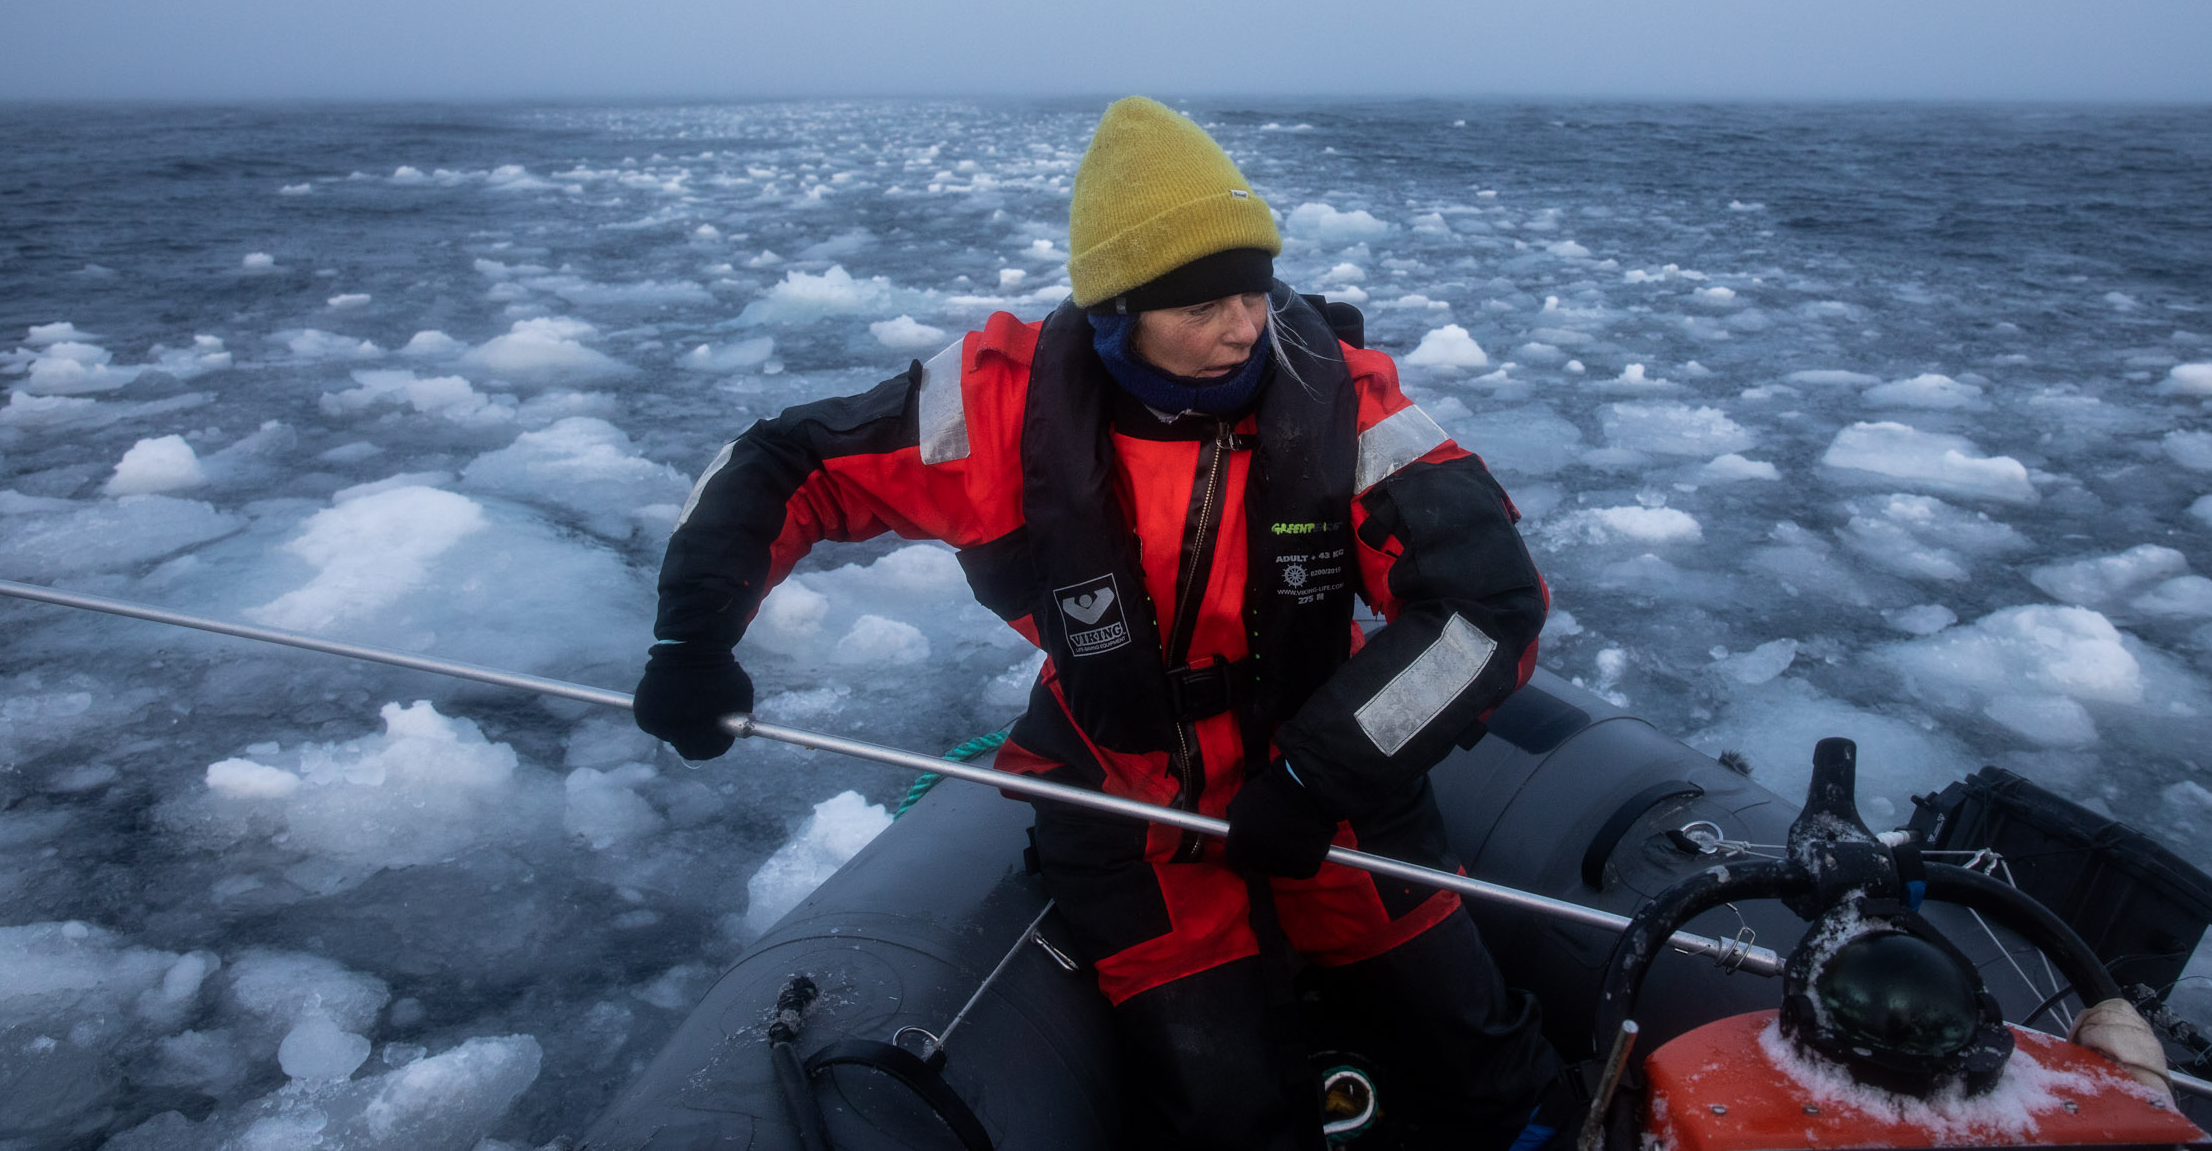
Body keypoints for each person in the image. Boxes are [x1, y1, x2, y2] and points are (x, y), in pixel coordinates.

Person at [634, 97, 1564, 1149]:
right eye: (1201, 304)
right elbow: (784, 464)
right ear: (1119, 308)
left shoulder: (1347, 404)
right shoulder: (995, 409)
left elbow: (1485, 607)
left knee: (1477, 1054)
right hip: (1123, 796)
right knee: (1229, 1109)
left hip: (1328, 782)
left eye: (1253, 290)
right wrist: (692, 637)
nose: (1244, 328)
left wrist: (1321, 774)